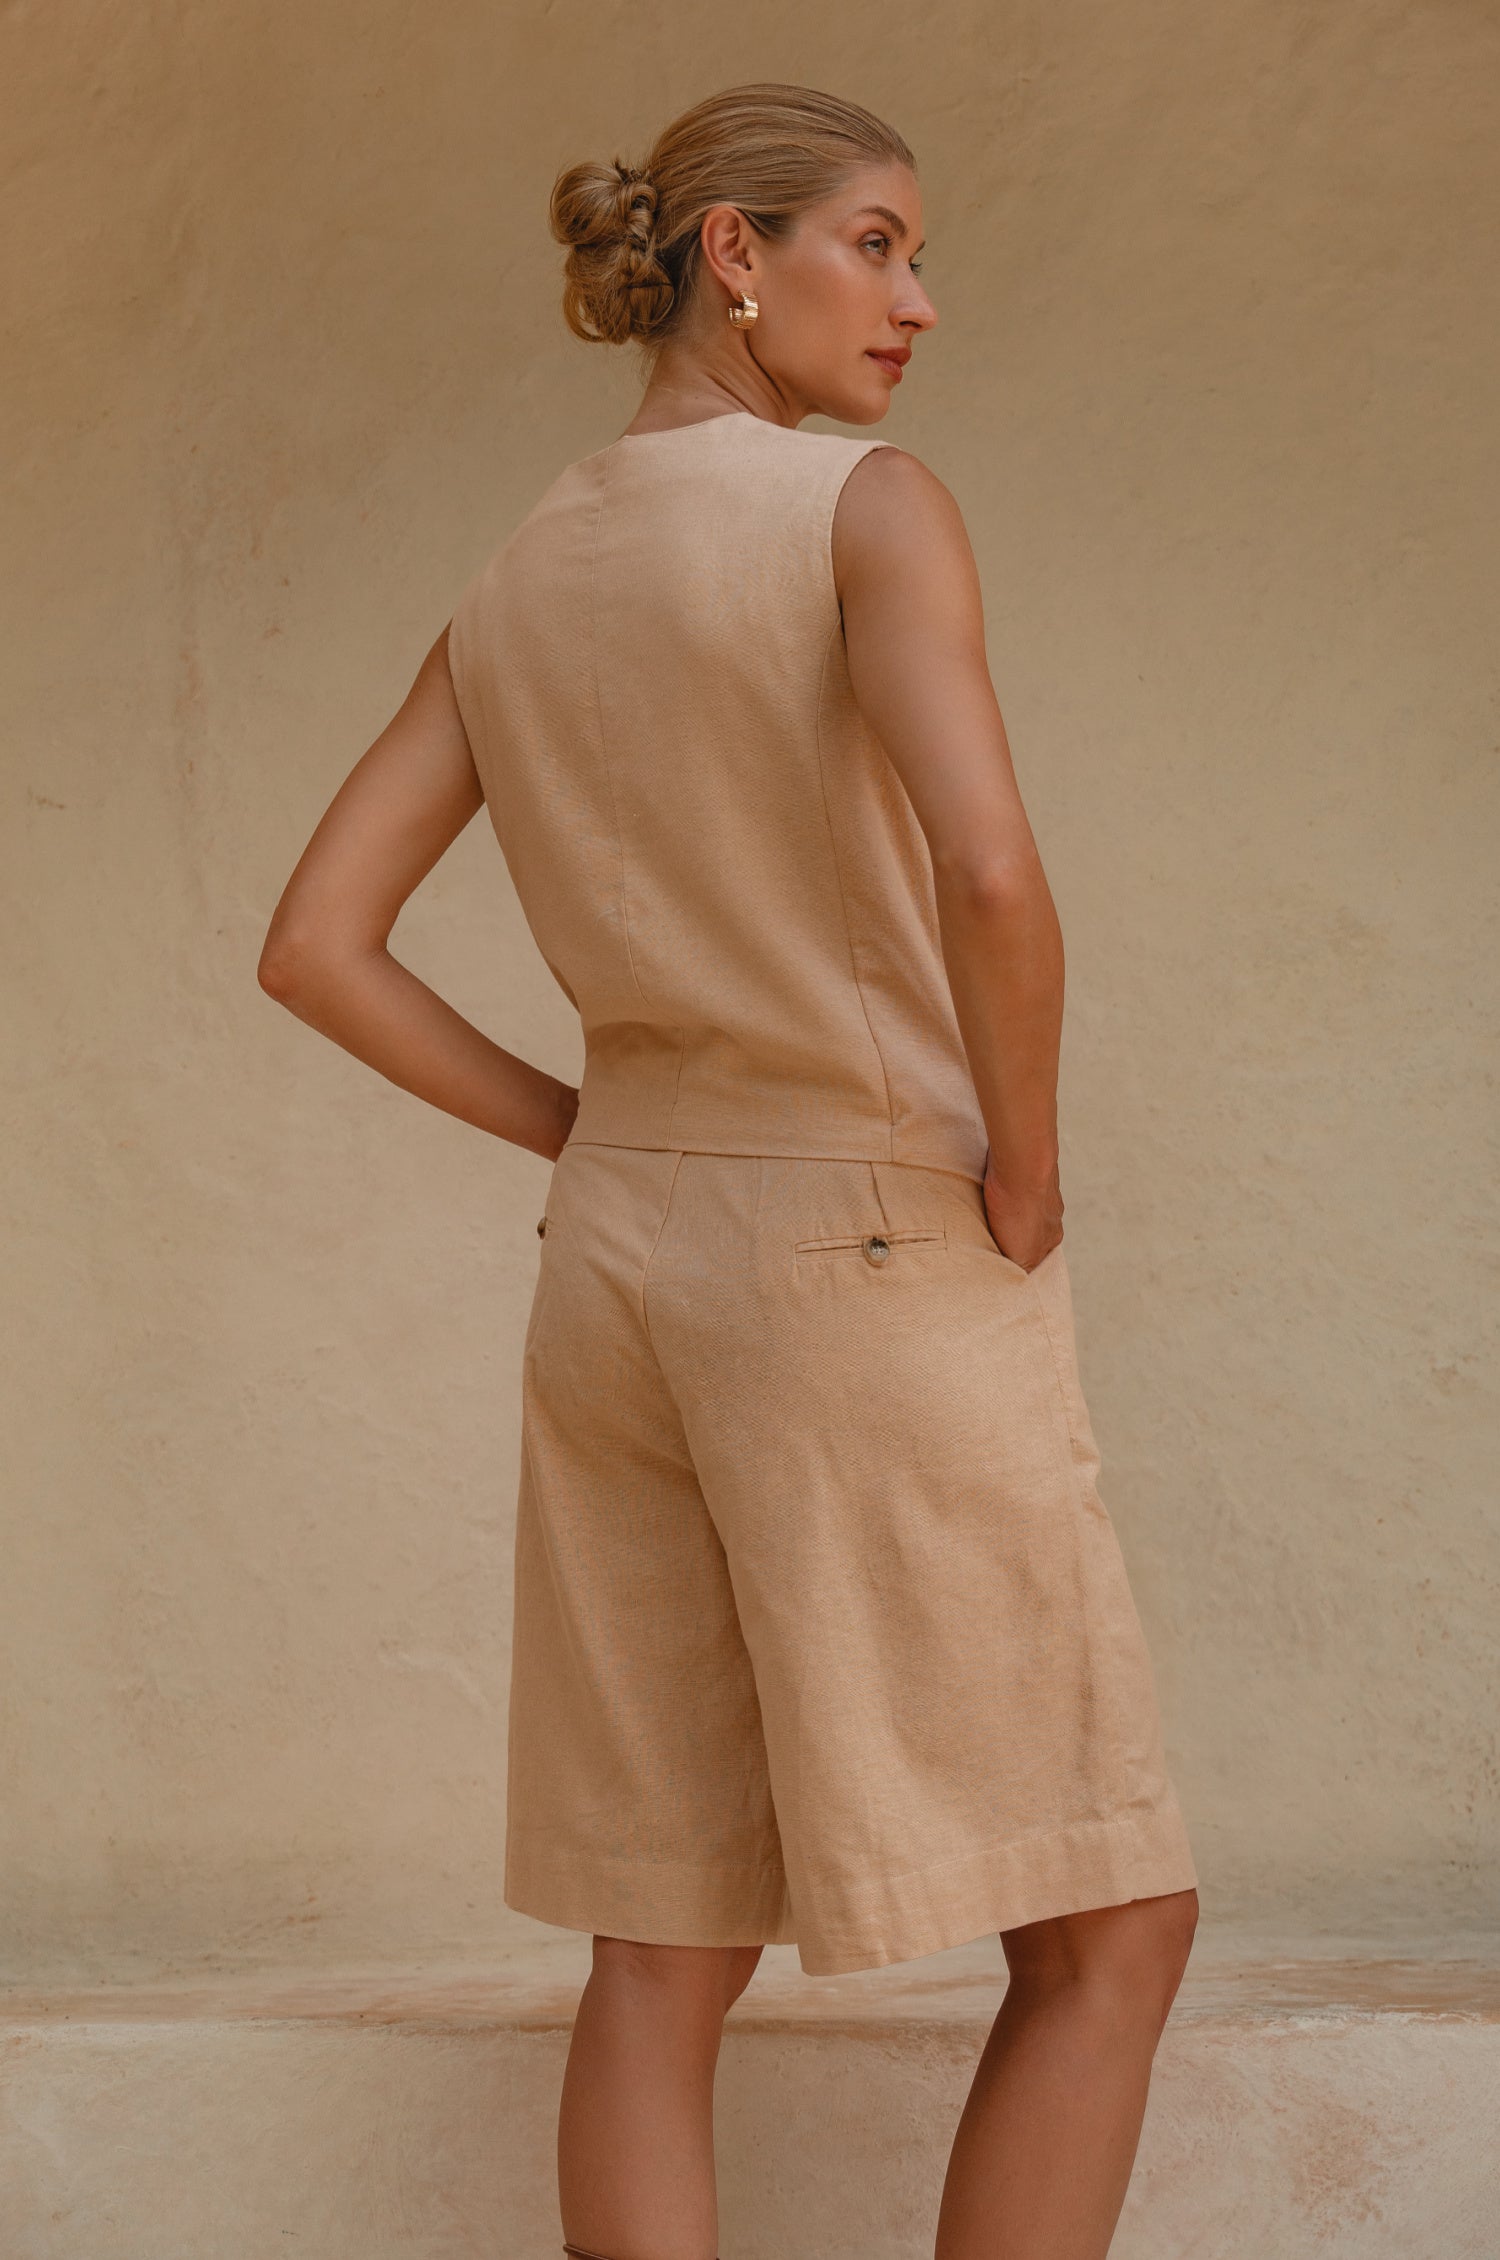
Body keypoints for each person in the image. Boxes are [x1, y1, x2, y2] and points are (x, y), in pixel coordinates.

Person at [259, 78, 1198, 2260]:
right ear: (732, 253)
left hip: (623, 1263)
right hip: (870, 1233)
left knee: (658, 1942)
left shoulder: (518, 576)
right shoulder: (865, 512)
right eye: (877, 242)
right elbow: (988, 867)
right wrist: (1030, 1165)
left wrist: (590, 1131)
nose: (921, 301)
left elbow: (315, 945)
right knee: (1107, 1925)